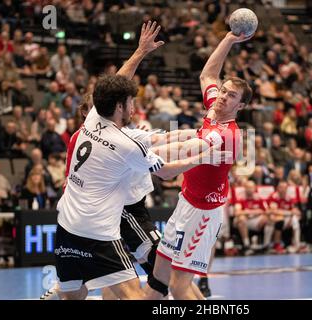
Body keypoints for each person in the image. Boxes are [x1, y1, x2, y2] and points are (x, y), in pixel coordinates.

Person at [52, 21, 229, 300]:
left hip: (67, 226)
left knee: (72, 296)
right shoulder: (125, 145)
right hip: (100, 230)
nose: (135, 107)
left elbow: (118, 88)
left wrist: (139, 52)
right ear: (120, 106)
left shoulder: (91, 119)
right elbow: (168, 172)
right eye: (131, 102)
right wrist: (204, 155)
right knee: (134, 294)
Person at [152, 30, 254, 300]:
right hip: (186, 201)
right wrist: (230, 39)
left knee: (178, 285)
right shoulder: (212, 110)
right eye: (223, 91)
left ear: (240, 106)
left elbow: (185, 149)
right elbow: (207, 75)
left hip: (203, 213)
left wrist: (143, 150)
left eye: (231, 96)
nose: (223, 96)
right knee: (159, 273)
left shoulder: (225, 135)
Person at [233, 180, 272, 256]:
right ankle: (247, 246)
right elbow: (237, 213)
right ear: (244, 188)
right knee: (241, 219)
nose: (249, 189)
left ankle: (266, 245)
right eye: (247, 187)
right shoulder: (240, 198)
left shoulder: (259, 198)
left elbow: (267, 211)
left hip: (256, 221)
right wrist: (255, 211)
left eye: (251, 187)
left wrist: (261, 214)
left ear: (254, 188)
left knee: (269, 219)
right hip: (244, 221)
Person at [267, 181, 305, 254]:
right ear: (277, 188)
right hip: (275, 219)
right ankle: (276, 244)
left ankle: (296, 244)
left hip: (287, 219)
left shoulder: (289, 197)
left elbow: (296, 211)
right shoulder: (273, 196)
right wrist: (289, 213)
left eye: (285, 187)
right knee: (279, 219)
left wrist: (291, 215)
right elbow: (274, 211)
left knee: (295, 219)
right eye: (281, 187)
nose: (283, 189)